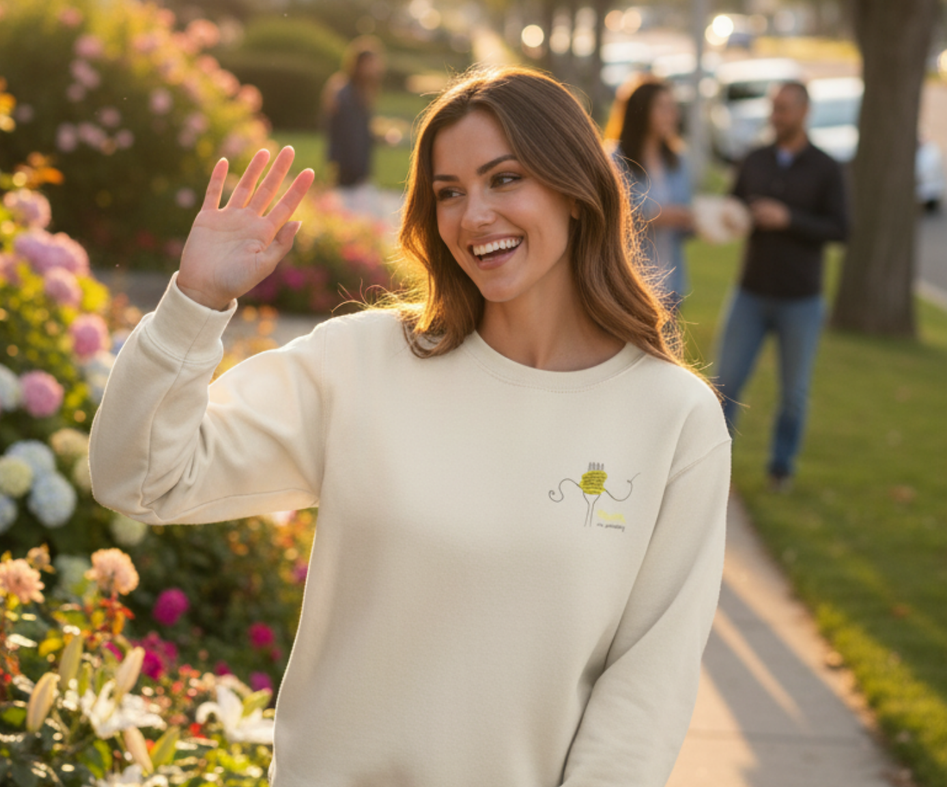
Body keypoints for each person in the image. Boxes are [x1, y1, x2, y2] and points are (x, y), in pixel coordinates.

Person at [89, 67, 731, 787]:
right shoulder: (359, 363)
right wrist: (196, 300)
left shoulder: (673, 418)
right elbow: (140, 477)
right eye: (448, 192)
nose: (473, 215)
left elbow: (647, 684)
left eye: (505, 179)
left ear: (577, 192)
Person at [712, 80, 849, 491]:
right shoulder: (753, 159)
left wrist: (788, 218)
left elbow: (841, 229)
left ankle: (781, 468)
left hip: (801, 300)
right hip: (750, 291)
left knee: (794, 394)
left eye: (784, 108)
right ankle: (714, 466)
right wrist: (732, 218)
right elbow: (731, 206)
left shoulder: (827, 167)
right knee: (725, 385)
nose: (776, 116)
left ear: (805, 112)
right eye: (773, 108)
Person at [609, 79, 695, 309]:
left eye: (673, 107)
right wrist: (655, 216)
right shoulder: (614, 161)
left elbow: (685, 224)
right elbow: (608, 219)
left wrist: (699, 219)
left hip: (670, 288)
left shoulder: (678, 160)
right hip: (628, 287)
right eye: (663, 107)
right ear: (641, 111)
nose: (672, 114)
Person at [322, 36, 384, 204]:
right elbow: (349, 135)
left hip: (353, 167)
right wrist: (358, 171)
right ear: (360, 64)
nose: (376, 68)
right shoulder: (346, 94)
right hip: (348, 168)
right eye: (371, 63)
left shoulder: (358, 91)